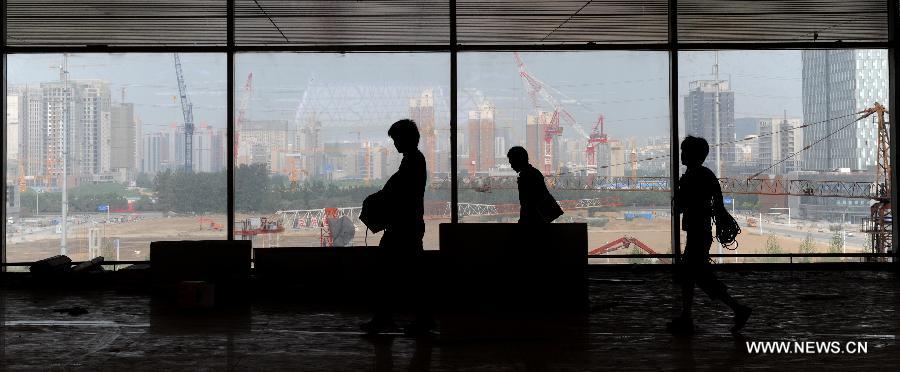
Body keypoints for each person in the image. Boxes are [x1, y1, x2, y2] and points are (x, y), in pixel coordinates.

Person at [670, 136, 751, 334]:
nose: (681, 155)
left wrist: (681, 194)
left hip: (698, 233)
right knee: (693, 275)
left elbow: (681, 207)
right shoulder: (705, 175)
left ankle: (737, 309)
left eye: (684, 151)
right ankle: (687, 316)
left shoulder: (693, 177)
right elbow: (718, 204)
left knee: (696, 276)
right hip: (701, 232)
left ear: (691, 155)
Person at [360, 119, 433, 336]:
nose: (394, 144)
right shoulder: (414, 160)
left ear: (405, 138)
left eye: (396, 139)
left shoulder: (412, 162)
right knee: (410, 275)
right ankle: (420, 320)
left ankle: (385, 319)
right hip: (407, 226)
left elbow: (398, 192)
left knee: (386, 274)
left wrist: (376, 199)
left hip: (402, 228)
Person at [507, 146, 563, 223]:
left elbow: (527, 204)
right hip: (541, 219)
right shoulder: (534, 173)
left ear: (519, 160)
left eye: (512, 162)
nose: (512, 166)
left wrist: (523, 221)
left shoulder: (526, 177)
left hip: (536, 221)